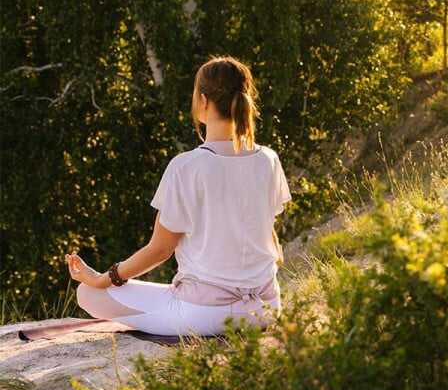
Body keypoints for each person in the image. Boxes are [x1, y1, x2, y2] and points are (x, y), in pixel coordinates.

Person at [64, 55, 292, 337]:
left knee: (88, 294)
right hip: (266, 307)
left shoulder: (186, 166)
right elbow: (268, 231)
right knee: (170, 292)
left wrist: (103, 278)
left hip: (206, 316)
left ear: (204, 101)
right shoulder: (268, 159)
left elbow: (161, 249)